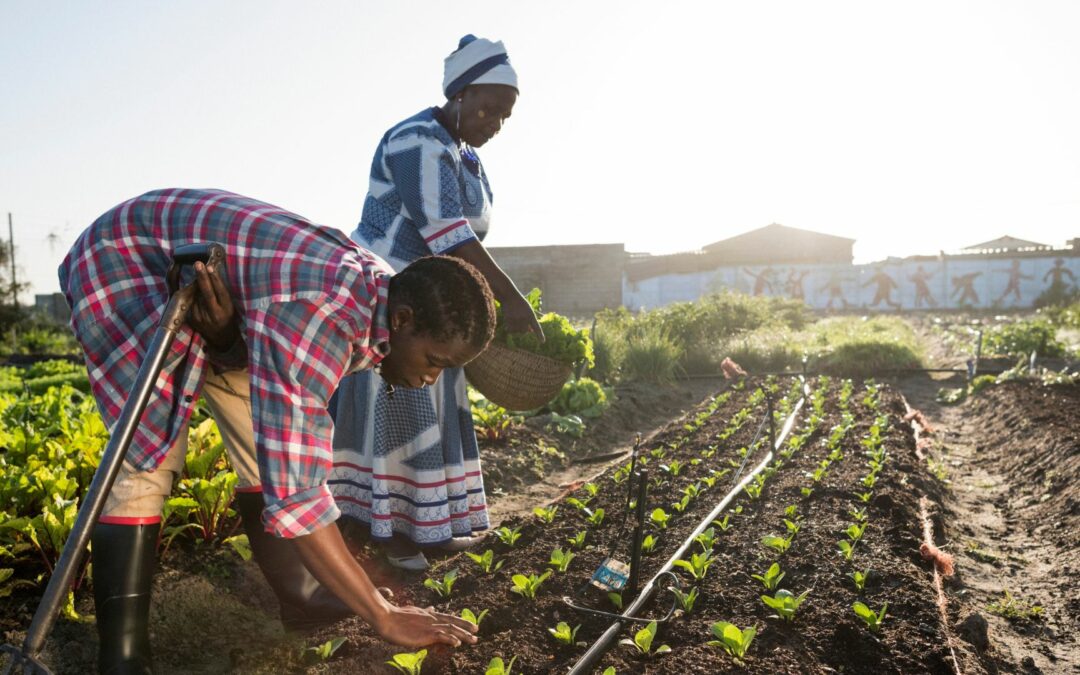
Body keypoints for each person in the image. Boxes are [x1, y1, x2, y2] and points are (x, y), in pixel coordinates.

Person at [58, 188, 489, 673]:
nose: (430, 379)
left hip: (214, 284)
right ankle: (122, 658)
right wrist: (384, 615)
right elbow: (299, 493)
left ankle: (302, 596)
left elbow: (283, 443)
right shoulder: (322, 315)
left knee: (262, 443)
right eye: (434, 362)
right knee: (145, 460)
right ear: (404, 320)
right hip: (124, 262)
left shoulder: (386, 295)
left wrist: (224, 339)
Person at [329, 34, 542, 571]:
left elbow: (464, 239)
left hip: (438, 301)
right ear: (461, 94)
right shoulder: (416, 140)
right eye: (488, 107)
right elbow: (448, 232)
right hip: (391, 296)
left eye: (505, 116)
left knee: (432, 406)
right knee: (399, 405)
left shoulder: (463, 155)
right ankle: (388, 532)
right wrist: (509, 299)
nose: (494, 121)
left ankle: (430, 526)